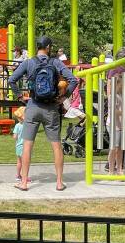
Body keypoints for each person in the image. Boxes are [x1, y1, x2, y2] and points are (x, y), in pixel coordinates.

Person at [7, 36, 78, 191]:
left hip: (32, 106)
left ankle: (24, 182)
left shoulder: (28, 62)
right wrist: (63, 98)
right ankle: (59, 182)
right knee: (56, 145)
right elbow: (73, 80)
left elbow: (12, 80)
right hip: (51, 108)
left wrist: (20, 97)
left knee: (27, 145)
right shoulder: (56, 62)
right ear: (48, 47)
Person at [12, 106, 26, 184]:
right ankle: (24, 177)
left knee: (19, 162)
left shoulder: (17, 126)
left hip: (18, 146)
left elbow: (15, 137)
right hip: (25, 146)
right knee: (25, 162)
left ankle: (18, 176)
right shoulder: (27, 125)